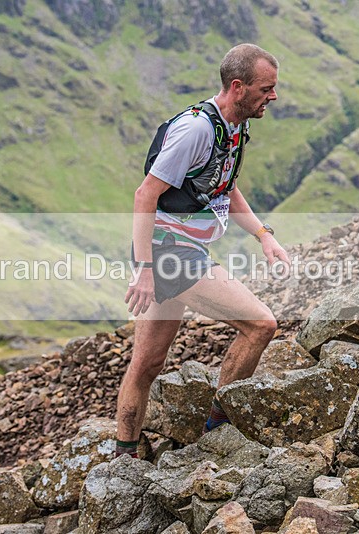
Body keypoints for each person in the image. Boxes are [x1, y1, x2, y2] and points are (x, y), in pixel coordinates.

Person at [116, 43, 290, 458]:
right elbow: (146, 195)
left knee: (147, 364)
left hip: (176, 251)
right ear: (237, 87)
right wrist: (143, 268)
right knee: (261, 325)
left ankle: (123, 454)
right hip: (169, 253)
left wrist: (263, 234)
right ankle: (217, 429)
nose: (274, 96)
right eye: (266, 89)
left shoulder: (233, 127)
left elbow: (224, 187)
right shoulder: (196, 129)